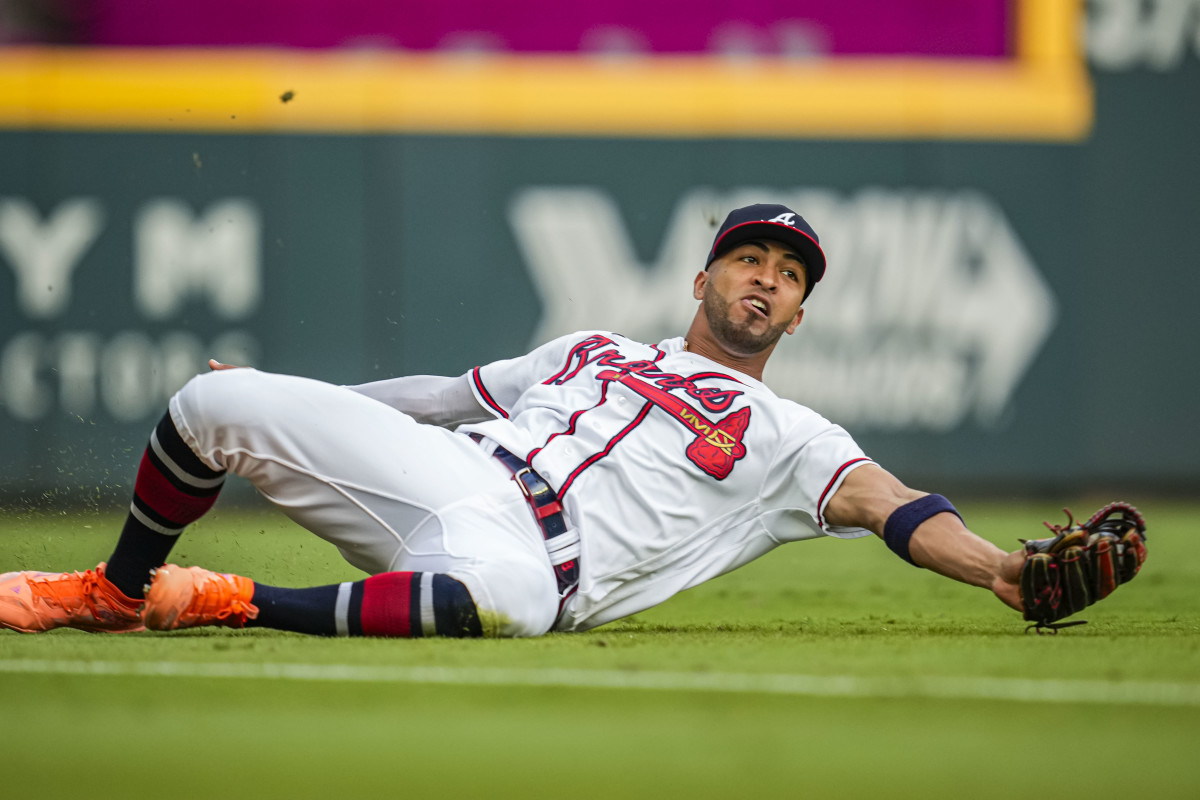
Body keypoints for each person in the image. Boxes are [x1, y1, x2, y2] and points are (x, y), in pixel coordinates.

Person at [0, 203, 1026, 638]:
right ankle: (118, 590)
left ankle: (222, 597)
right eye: (751, 259)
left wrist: (998, 569)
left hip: (543, 561)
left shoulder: (796, 434)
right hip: (451, 470)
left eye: (789, 274)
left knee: (505, 607)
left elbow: (895, 504)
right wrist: (301, 406)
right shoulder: (592, 345)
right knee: (212, 401)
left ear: (799, 315)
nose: (767, 278)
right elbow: (440, 396)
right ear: (704, 272)